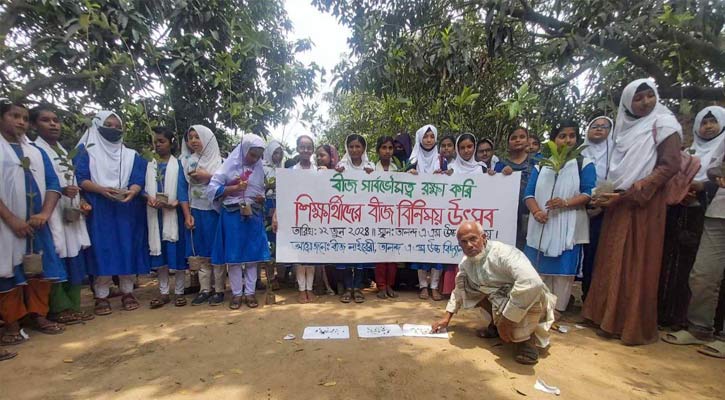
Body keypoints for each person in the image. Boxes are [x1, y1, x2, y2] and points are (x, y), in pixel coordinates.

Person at [583, 78, 682, 345]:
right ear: (628, 103)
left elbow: (670, 164)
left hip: (643, 204)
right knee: (611, 258)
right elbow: (618, 170)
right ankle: (604, 316)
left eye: (650, 96)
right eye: (638, 98)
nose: (645, 102)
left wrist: (638, 190)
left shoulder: (664, 124)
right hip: (618, 201)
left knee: (635, 261)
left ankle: (628, 323)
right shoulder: (624, 132)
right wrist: (614, 195)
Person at [431, 221, 555, 365]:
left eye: (473, 239)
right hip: (500, 299)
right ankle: (496, 326)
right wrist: (447, 317)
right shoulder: (466, 263)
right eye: (464, 242)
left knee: (524, 292)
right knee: (467, 283)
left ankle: (526, 342)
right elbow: (459, 290)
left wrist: (507, 321)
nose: (469, 245)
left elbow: (532, 283)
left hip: (530, 299)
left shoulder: (505, 254)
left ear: (484, 237)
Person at [0, 99, 67, 360]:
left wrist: (45, 213)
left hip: (38, 223)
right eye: (14, 116)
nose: (20, 122)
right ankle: (12, 323)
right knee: (7, 271)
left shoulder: (37, 153)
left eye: (25, 118)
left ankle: (39, 315)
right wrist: (12, 219)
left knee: (39, 269)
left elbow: (53, 184)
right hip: (6, 225)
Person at [662, 107, 725, 357]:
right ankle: (700, 328)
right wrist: (710, 180)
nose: (709, 126)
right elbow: (715, 168)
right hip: (718, 211)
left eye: (714, 122)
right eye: (705, 121)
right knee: (702, 274)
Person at [74, 110, 149, 316]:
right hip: (99, 207)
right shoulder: (85, 151)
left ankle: (127, 291)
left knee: (127, 247)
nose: (114, 129)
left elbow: (139, 178)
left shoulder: (130, 155)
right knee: (102, 249)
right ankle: (101, 294)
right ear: (97, 126)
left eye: (118, 126)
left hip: (126, 207)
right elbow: (80, 177)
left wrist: (132, 190)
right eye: (109, 124)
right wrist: (101, 190)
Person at [31, 105, 94, 324]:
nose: (53, 124)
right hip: (52, 214)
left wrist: (81, 200)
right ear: (34, 125)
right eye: (45, 120)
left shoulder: (63, 151)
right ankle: (58, 307)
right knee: (55, 256)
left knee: (74, 255)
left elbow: (73, 181)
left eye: (55, 120)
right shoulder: (34, 151)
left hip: (71, 212)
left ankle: (73, 306)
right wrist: (61, 191)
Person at [524, 121, 595, 314]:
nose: (567, 140)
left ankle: (558, 310)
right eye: (562, 136)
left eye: (572, 136)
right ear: (554, 140)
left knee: (563, 272)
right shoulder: (541, 164)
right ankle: (538, 309)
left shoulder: (584, 164)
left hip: (569, 225)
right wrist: (537, 211)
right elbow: (529, 193)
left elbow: (589, 193)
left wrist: (565, 202)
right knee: (537, 268)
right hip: (541, 223)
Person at [208, 134, 270, 310]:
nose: (255, 159)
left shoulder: (259, 168)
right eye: (252, 155)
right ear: (244, 149)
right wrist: (235, 188)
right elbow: (212, 189)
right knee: (234, 258)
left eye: (258, 156)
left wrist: (261, 198)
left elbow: (261, 191)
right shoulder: (228, 166)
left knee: (252, 257)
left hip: (253, 214)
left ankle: (250, 292)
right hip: (233, 214)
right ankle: (236, 293)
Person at [145, 127, 191, 308]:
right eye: (156, 142)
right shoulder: (149, 165)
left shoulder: (179, 165)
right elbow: (141, 187)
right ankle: (163, 292)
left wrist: (175, 203)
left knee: (177, 254)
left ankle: (179, 291)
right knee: (160, 254)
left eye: (162, 141)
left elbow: (184, 189)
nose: (158, 145)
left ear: (171, 143)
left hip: (174, 215)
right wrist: (148, 197)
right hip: (155, 215)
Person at [182, 125, 224, 306]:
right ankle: (205, 289)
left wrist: (208, 175)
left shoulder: (220, 162)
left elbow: (226, 183)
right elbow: (182, 189)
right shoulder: (188, 162)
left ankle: (220, 290)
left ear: (207, 139)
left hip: (215, 212)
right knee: (202, 253)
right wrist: (187, 215)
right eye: (190, 137)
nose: (193, 141)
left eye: (197, 137)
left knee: (217, 252)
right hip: (197, 211)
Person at [335, 134, 375, 303]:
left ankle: (357, 288)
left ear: (363, 148)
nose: (354, 150)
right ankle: (347, 287)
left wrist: (372, 175)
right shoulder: (341, 166)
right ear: (347, 148)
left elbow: (378, 188)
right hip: (344, 217)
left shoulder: (370, 166)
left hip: (364, 217)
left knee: (360, 254)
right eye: (351, 146)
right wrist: (335, 173)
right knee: (346, 254)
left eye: (358, 146)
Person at [407, 125, 445, 300]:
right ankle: (423, 286)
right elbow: (404, 180)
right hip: (418, 210)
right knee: (420, 248)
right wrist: (410, 173)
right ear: (420, 138)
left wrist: (444, 174)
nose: (429, 140)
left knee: (437, 249)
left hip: (439, 210)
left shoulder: (442, 158)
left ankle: (435, 287)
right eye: (425, 136)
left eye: (432, 136)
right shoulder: (413, 159)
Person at [580, 116, 614, 299]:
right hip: (578, 207)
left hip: (607, 207)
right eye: (595, 126)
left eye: (604, 126)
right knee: (582, 252)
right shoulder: (578, 154)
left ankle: (595, 297)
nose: (599, 129)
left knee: (600, 252)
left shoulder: (616, 154)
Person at [292, 134, 322, 303]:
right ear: (297, 149)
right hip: (296, 216)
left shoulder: (318, 171)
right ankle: (301, 289)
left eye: (309, 147)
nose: (305, 150)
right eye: (302, 146)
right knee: (299, 256)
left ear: (312, 150)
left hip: (314, 216)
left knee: (310, 254)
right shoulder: (291, 171)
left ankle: (309, 289)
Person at [495, 127, 536, 249]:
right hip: (505, 217)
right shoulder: (500, 164)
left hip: (530, 215)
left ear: (528, 140)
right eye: (513, 138)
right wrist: (498, 174)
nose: (518, 140)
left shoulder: (536, 163)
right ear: (508, 143)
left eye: (522, 137)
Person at [373, 136, 399, 299]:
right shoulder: (371, 170)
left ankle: (390, 285)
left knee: (393, 254)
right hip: (376, 216)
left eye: (390, 148)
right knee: (380, 254)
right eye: (384, 147)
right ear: (378, 150)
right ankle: (381, 285)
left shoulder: (398, 170)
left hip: (395, 216)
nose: (387, 151)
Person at [262, 140, 284, 291]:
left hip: (282, 207)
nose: (278, 156)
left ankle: (281, 277)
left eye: (280, 153)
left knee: (281, 244)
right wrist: (268, 187)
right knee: (269, 244)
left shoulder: (283, 169)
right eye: (275, 152)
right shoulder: (261, 168)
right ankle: (270, 277)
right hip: (266, 208)